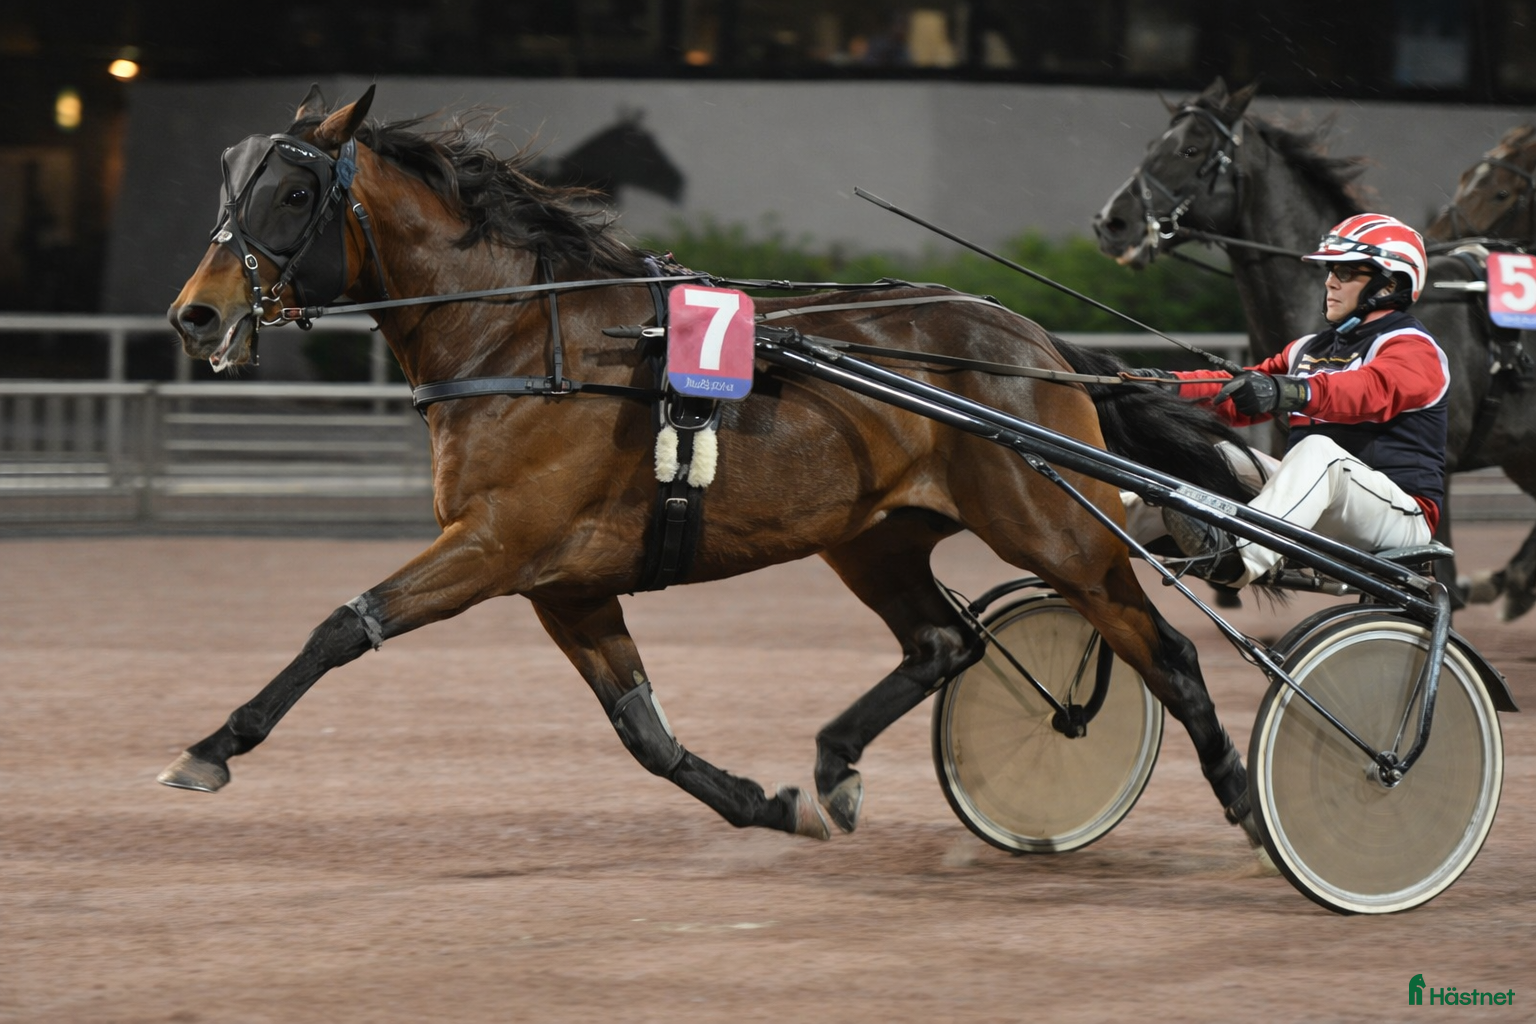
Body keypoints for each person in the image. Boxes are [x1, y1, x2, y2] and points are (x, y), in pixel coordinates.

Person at [1122, 213, 1448, 588]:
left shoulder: (1414, 347)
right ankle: (1095, 530)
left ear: (1388, 283)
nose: (1330, 282)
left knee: (1317, 452)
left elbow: (1368, 390)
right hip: (1321, 502)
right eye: (1329, 270)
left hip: (1399, 518)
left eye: (1345, 272)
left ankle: (1240, 560)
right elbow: (1233, 389)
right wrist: (1161, 386)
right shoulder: (1307, 348)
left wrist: (1289, 391)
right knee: (1207, 454)